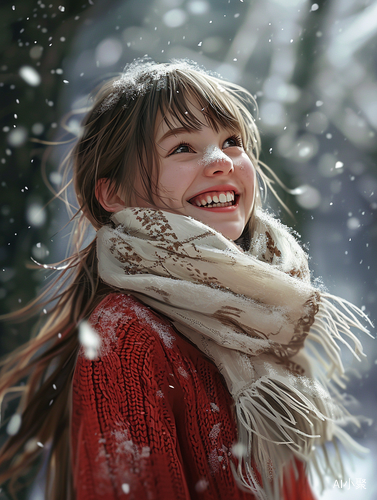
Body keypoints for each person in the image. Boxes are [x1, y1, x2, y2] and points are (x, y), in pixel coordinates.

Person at [0, 60, 371, 500]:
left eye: (231, 141)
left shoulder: (262, 313)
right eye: (182, 148)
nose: (220, 162)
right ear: (114, 194)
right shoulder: (126, 337)